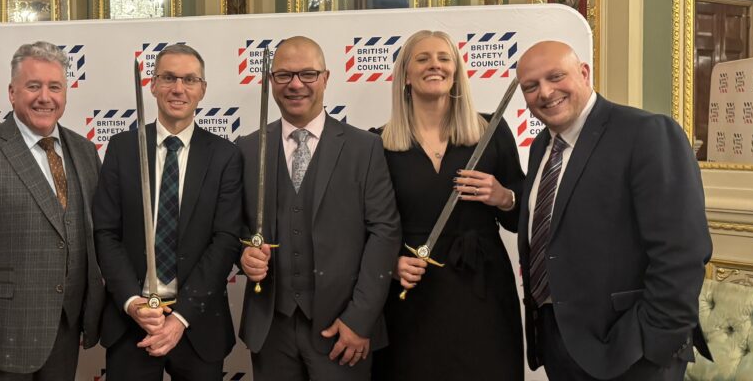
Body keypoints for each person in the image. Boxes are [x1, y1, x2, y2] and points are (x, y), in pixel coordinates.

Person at [515, 40, 712, 380]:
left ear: (584, 73)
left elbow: (682, 252)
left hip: (632, 353)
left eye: (556, 76)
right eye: (530, 87)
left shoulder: (646, 133)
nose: (545, 93)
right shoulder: (541, 148)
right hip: (561, 346)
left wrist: (656, 343)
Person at [237, 35, 402, 380]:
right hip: (271, 329)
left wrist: (359, 319)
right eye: (284, 75)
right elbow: (233, 228)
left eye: (308, 74)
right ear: (271, 82)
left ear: (326, 78)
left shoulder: (365, 147)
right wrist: (243, 254)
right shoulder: (247, 149)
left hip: (342, 329)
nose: (296, 84)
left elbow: (385, 233)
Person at [0, 42, 105, 381]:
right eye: (33, 86)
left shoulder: (85, 151)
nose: (45, 97)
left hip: (66, 330)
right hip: (3, 340)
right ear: (12, 93)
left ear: (65, 93)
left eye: (54, 87)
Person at [368, 30, 523, 380]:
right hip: (413, 292)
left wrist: (504, 197)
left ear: (456, 71)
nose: (434, 65)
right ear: (405, 74)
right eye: (422, 59)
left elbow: (521, 215)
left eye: (443, 58)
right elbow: (365, 226)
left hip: (482, 287)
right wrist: (390, 265)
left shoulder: (492, 131)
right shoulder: (377, 143)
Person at [93, 44, 244, 380]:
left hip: (198, 322)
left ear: (203, 89)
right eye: (169, 78)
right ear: (153, 84)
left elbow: (225, 240)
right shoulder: (121, 149)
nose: (179, 88)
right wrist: (132, 301)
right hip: (132, 321)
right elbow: (105, 233)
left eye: (190, 79)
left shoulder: (225, 157)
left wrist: (180, 318)